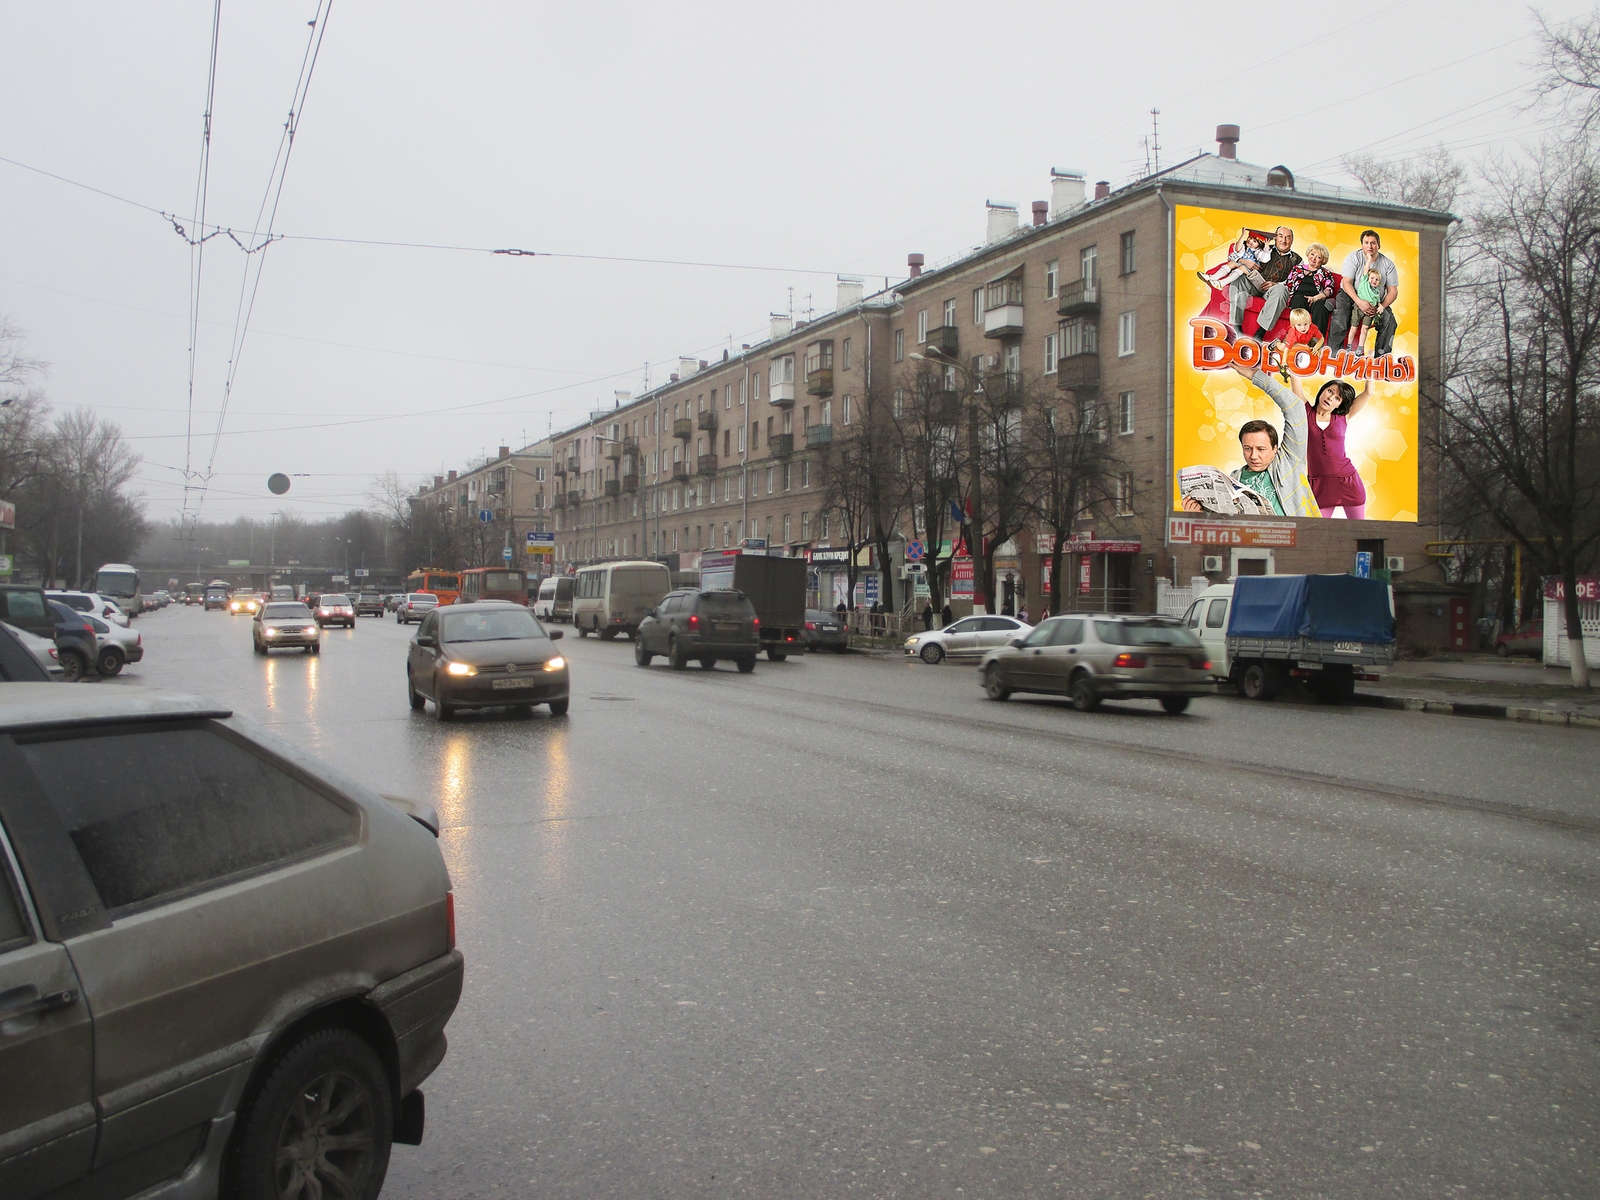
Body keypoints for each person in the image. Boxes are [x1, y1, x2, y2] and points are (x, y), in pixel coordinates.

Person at [1181, 358, 1318, 518]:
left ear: (1275, 449)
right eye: (1247, 448)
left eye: (1261, 449)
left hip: (1297, 538)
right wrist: (1197, 513)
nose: (1253, 456)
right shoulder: (1232, 480)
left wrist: (1255, 375)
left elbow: (1295, 406)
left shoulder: (1289, 461)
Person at [1297, 375, 1372, 518]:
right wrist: (1292, 361)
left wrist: (1370, 368)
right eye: (1330, 391)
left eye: (1337, 398)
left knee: (1359, 531)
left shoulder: (1344, 417)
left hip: (1348, 483)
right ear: (1322, 390)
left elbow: (1368, 393)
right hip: (1320, 485)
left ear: (1339, 404)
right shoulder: (1306, 412)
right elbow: (1296, 384)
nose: (1331, 398)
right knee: (1317, 532)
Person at [1327, 229, 1400, 356]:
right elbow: (1346, 283)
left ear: (1379, 245)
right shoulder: (1353, 258)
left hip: (1376, 301)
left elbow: (1393, 291)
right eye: (1366, 242)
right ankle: (1333, 355)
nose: (1369, 246)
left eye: (1373, 243)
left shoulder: (1388, 264)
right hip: (1350, 295)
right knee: (1341, 315)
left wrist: (1381, 306)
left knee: (1390, 322)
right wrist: (1359, 302)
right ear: (1362, 245)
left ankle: (1381, 358)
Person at [1229, 225, 1301, 334]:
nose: (1284, 240)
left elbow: (1295, 282)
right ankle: (1237, 327)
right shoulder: (1262, 247)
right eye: (1280, 236)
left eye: (1288, 237)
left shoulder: (1298, 260)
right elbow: (1232, 256)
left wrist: (1276, 284)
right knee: (1238, 279)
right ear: (1275, 238)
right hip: (1254, 283)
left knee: (1281, 289)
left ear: (1292, 241)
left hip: (1273, 290)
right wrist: (1243, 261)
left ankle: (1260, 333)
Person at [1270, 243, 1338, 337]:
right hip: (1299, 297)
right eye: (1312, 254)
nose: (1313, 258)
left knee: (1321, 306)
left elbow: (1329, 289)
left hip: (1316, 298)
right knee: (1299, 299)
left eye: (1318, 257)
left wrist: (1316, 297)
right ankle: (1297, 337)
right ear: (1308, 254)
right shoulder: (1297, 269)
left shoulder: (1326, 273)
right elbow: (1288, 285)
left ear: (1323, 261)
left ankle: (1316, 342)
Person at [1198, 227, 1270, 290]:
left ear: (1259, 245)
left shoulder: (1258, 252)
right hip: (1241, 265)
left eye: (1254, 241)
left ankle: (1221, 283)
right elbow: (1237, 249)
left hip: (1250, 271)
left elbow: (1264, 259)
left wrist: (1266, 248)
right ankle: (1212, 277)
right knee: (1232, 263)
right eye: (1250, 238)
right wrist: (1243, 235)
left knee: (1241, 267)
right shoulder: (1245, 247)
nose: (1250, 241)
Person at [1345, 264, 1390, 355]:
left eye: (1377, 280)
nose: (1374, 280)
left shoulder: (1377, 292)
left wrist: (1381, 306)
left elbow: (1377, 302)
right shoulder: (1364, 282)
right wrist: (1369, 259)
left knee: (1364, 329)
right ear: (1368, 278)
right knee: (1354, 328)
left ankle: (1360, 347)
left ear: (1379, 283)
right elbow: (1366, 269)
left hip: (1370, 312)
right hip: (1358, 309)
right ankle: (1349, 346)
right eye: (1372, 278)